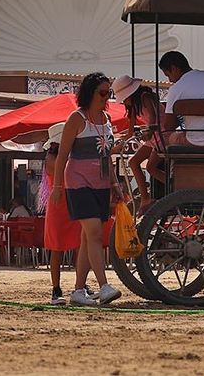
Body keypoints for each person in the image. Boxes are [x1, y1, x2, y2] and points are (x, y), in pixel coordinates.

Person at [51, 72, 123, 306]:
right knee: (94, 233)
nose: (106, 97)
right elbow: (62, 156)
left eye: (109, 93)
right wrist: (57, 186)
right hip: (78, 181)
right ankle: (103, 286)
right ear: (90, 93)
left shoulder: (106, 119)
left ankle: (79, 290)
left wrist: (114, 183)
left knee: (86, 238)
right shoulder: (77, 118)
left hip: (101, 183)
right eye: (103, 93)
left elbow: (107, 157)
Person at [38, 122, 80, 305]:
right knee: (57, 249)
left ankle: (81, 285)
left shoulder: (65, 155)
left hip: (72, 202)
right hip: (58, 205)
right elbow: (65, 168)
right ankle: (56, 289)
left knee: (80, 246)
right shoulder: (51, 158)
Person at [112, 75, 164, 208]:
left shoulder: (145, 97)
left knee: (150, 167)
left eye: (124, 99)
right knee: (134, 162)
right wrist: (120, 139)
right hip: (154, 137)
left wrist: (149, 131)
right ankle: (145, 198)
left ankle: (174, 185)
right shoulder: (135, 106)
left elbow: (153, 116)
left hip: (162, 135)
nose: (124, 102)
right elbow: (130, 132)